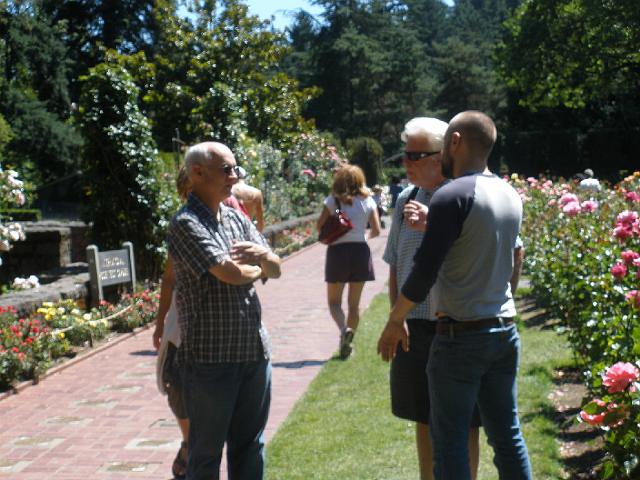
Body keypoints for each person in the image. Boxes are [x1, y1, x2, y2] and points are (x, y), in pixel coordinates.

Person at [377, 111, 532, 480]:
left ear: (456, 142)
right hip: (502, 331)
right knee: (508, 437)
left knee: (448, 442)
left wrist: (395, 319)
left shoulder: (452, 194)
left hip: (458, 335)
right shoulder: (508, 193)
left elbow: (423, 272)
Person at [167, 141, 282, 480]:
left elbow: (277, 266)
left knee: (250, 446)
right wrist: (260, 264)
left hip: (253, 351)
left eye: (236, 168)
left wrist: (262, 260)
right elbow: (229, 274)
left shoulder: (234, 216)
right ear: (198, 173)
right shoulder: (186, 223)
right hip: (210, 360)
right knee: (205, 454)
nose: (235, 177)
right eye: (226, 170)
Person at [382, 117, 481, 480]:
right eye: (404, 155)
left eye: (413, 155)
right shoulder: (405, 200)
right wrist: (398, 317)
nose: (405, 162)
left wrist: (437, 221)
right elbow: (396, 264)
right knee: (423, 417)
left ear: (440, 155)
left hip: (456, 325)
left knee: (465, 418)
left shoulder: (466, 195)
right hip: (416, 326)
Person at [317, 164, 381, 359]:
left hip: (338, 251)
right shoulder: (368, 201)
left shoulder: (332, 201)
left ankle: (344, 330)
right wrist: (359, 237)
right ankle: (348, 341)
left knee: (334, 302)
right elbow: (376, 230)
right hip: (360, 251)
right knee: (354, 305)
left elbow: (319, 226)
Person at [153, 165, 191, 479]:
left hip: (215, 327)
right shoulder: (181, 224)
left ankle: (194, 445)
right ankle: (190, 442)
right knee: (175, 382)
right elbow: (169, 277)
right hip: (181, 324)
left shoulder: (231, 215)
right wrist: (159, 321)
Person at [232, 166, 265, 231]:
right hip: (248, 230)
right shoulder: (256, 193)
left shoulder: (227, 191)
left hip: (231, 230)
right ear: (245, 178)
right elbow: (260, 220)